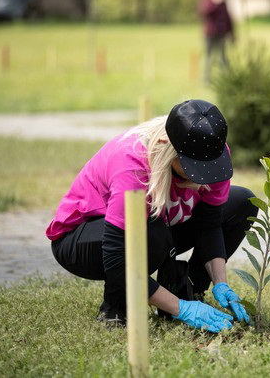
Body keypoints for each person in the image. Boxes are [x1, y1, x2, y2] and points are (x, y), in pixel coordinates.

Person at [47, 99, 256, 333]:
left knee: (241, 203)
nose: (203, 178)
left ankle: (191, 291)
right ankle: (116, 308)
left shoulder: (210, 152)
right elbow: (117, 258)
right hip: (83, 240)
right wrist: (181, 309)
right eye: (194, 168)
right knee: (151, 235)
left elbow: (210, 223)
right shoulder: (133, 166)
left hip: (156, 227)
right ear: (168, 147)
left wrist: (221, 283)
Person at [199, 0, 235, 83]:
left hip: (221, 33)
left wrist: (232, 33)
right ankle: (207, 79)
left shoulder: (224, 2)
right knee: (209, 56)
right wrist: (215, 2)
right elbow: (205, 12)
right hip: (210, 34)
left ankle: (226, 78)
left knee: (223, 57)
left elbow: (228, 18)